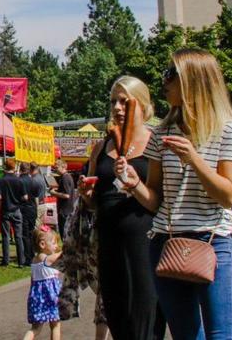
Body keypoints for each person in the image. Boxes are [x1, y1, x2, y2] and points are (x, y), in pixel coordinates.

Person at [116, 49, 232, 339]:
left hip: (213, 242)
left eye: (171, 74)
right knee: (186, 335)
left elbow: (228, 197)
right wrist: (133, 183)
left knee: (221, 335)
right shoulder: (162, 132)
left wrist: (195, 160)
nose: (164, 81)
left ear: (194, 80)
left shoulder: (229, 131)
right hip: (166, 242)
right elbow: (155, 200)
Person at [76, 75, 162, 340]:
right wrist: (88, 195)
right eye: (114, 101)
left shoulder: (155, 144)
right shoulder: (101, 147)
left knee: (145, 324)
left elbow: (156, 202)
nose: (117, 108)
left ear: (143, 105)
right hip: (109, 245)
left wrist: (135, 184)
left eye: (124, 102)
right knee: (117, 321)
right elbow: (94, 202)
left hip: (144, 246)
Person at [24, 227, 64, 340]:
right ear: (42, 244)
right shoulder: (45, 258)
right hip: (51, 297)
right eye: (54, 243)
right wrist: (67, 249)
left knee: (36, 328)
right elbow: (57, 257)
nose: (56, 246)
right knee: (55, 325)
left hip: (37, 297)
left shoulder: (34, 260)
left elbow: (32, 280)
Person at [0, 158, 30, 267]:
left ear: (5, 167)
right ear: (14, 168)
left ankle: (5, 260)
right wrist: (17, 199)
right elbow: (25, 197)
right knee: (18, 236)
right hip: (16, 210)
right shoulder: (19, 180)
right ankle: (21, 262)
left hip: (5, 210)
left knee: (5, 236)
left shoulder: (1, 180)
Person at [20, 163, 46, 261]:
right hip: (39, 205)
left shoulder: (34, 180)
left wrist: (36, 207)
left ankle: (35, 252)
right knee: (35, 231)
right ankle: (36, 251)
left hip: (35, 206)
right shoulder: (40, 178)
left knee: (34, 232)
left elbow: (34, 198)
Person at [49, 159, 75, 240]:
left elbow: (66, 195)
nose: (55, 169)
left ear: (63, 167)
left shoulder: (65, 178)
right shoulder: (66, 177)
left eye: (57, 167)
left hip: (64, 211)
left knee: (64, 234)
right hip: (67, 210)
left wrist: (54, 193)